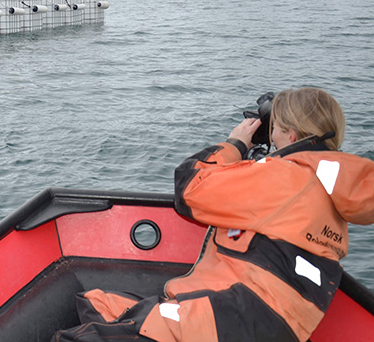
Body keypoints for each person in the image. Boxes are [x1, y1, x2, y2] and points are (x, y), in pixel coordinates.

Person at [53, 87, 374, 342]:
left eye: (275, 130)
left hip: (232, 317)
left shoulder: (286, 176)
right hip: (267, 324)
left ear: (292, 136)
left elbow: (190, 187)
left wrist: (235, 144)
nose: (272, 140)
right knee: (98, 302)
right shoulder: (332, 194)